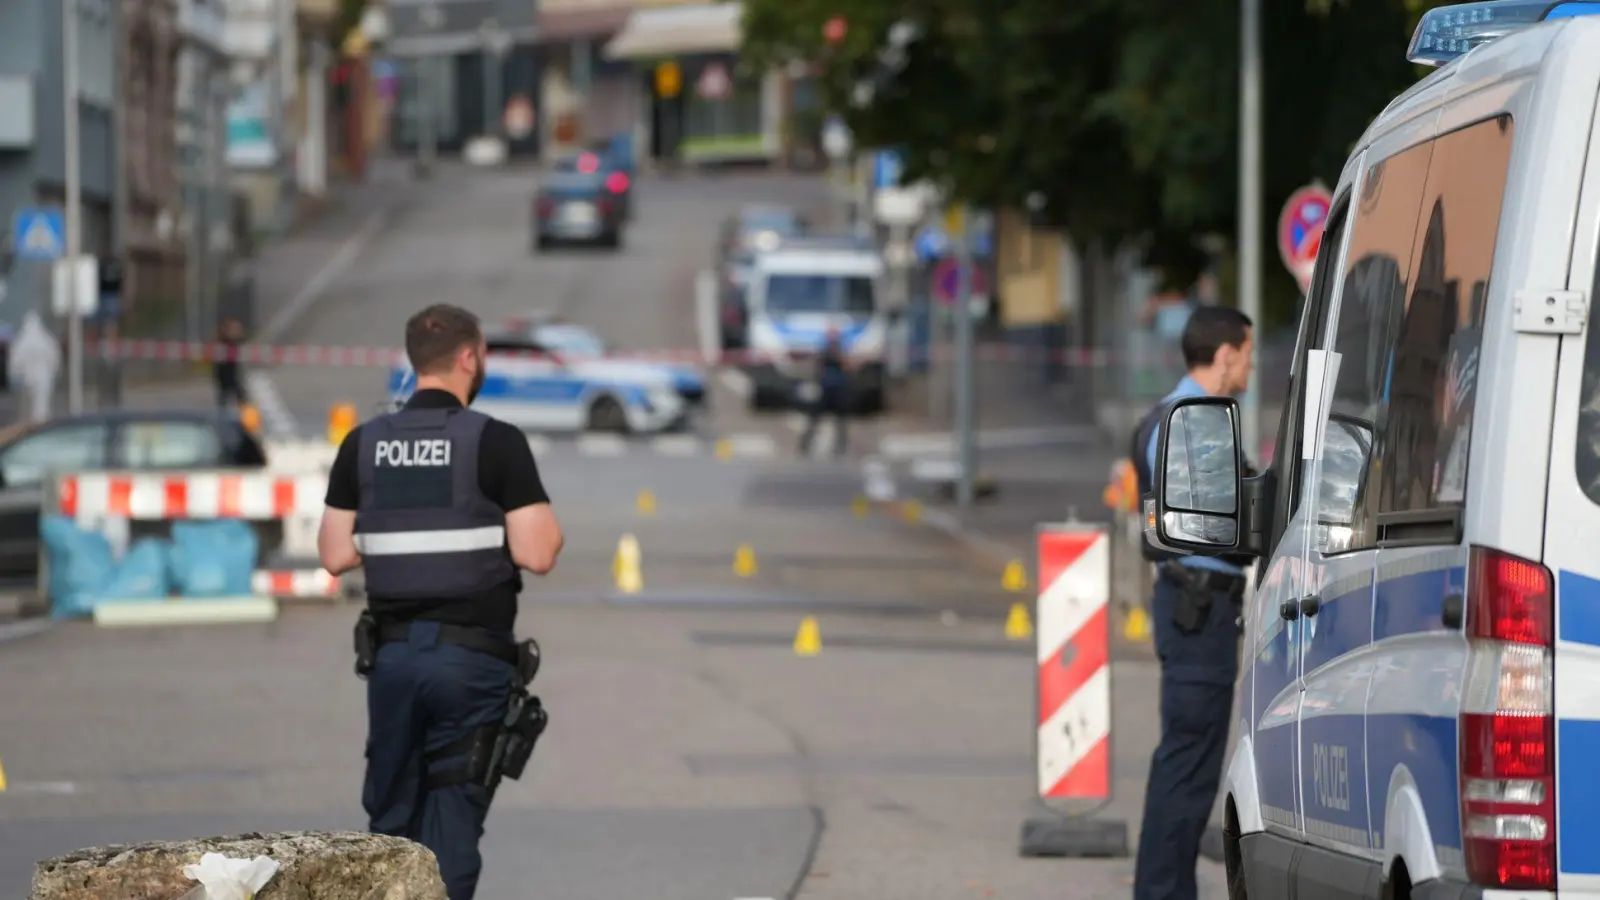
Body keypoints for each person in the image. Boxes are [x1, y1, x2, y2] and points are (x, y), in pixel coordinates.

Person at [317, 303, 565, 900]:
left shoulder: (364, 444)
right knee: (450, 828)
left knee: (392, 827)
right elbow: (538, 552)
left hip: (394, 662)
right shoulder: (495, 443)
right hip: (468, 665)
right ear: (468, 356)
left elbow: (333, 554)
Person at [1130, 305, 1254, 900]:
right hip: (1198, 610)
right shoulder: (1192, 426)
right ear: (1226, 353)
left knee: (1189, 766)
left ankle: (1166, 889)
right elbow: (1229, 522)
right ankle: (1161, 892)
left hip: (1195, 608)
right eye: (1248, 352)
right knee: (1186, 767)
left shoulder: (1182, 419)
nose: (1250, 365)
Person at [798, 326, 851, 457]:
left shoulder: (842, 350)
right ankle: (805, 445)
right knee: (814, 419)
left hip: (838, 389)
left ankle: (840, 448)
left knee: (840, 421)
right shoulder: (823, 351)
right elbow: (817, 368)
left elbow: (848, 368)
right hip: (825, 388)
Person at [213, 318, 247, 409]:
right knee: (226, 392)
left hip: (231, 368)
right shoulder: (223, 343)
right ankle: (223, 412)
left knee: (236, 393)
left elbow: (241, 339)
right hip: (224, 369)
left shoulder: (234, 342)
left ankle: (244, 411)